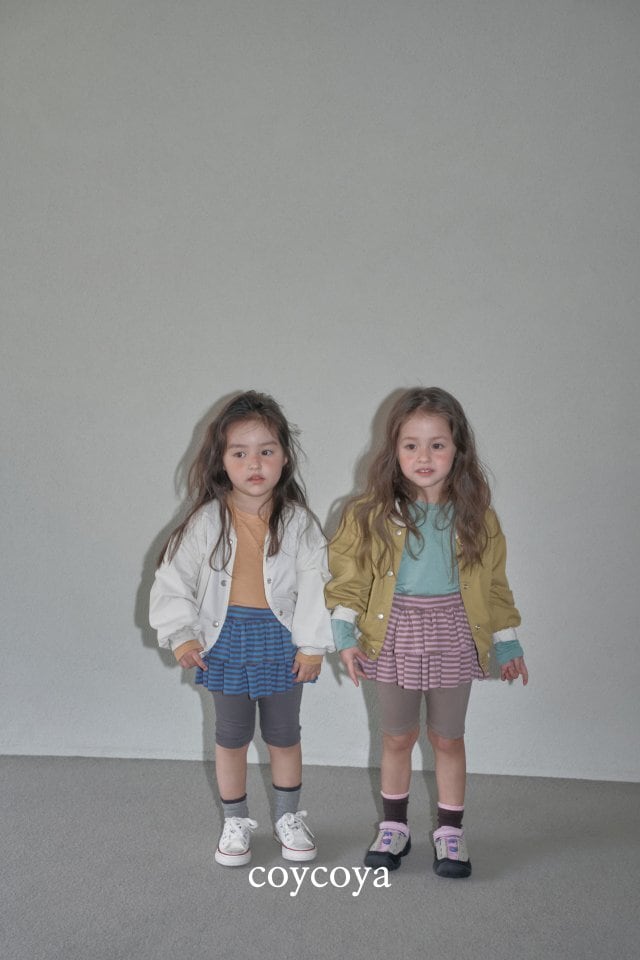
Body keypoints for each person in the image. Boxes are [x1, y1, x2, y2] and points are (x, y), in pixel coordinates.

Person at [325, 387, 528, 879]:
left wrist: (507, 642)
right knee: (397, 736)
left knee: (448, 738)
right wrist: (345, 637)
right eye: (411, 445)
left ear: (458, 450)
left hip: (453, 632)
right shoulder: (368, 513)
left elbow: (494, 585)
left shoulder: (479, 517)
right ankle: (394, 827)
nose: (424, 457)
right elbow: (349, 579)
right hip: (392, 634)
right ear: (393, 450)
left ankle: (450, 832)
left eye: (437, 445)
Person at [150, 391, 333, 867]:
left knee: (284, 735)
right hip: (225, 642)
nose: (254, 463)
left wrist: (313, 645)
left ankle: (288, 817)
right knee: (230, 736)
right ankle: (235, 821)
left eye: (266, 451)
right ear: (221, 461)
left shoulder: (298, 523)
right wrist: (181, 635)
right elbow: (172, 579)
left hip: (281, 642)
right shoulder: (205, 522)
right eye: (239, 453)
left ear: (284, 457)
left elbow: (319, 584)